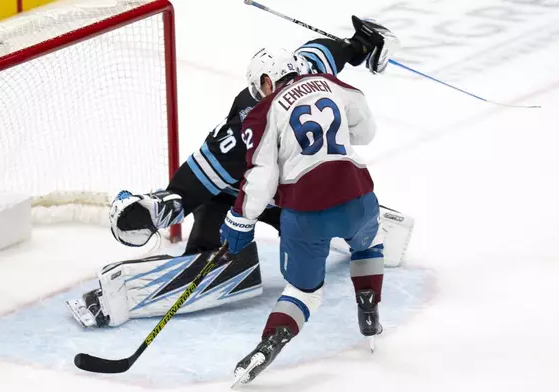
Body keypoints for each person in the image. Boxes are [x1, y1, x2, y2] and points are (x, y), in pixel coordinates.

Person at [66, 16, 405, 329]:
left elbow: (328, 51)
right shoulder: (296, 81)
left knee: (248, 241)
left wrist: (357, 45)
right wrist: (362, 44)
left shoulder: (271, 97)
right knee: (236, 230)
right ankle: (367, 226)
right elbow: (327, 52)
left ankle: (171, 281)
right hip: (262, 195)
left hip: (273, 197)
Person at [222, 20, 396, 385]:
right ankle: (369, 305)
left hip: (307, 216)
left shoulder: (262, 112)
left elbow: (261, 179)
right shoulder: (333, 84)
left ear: (267, 82)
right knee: (368, 243)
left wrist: (241, 220)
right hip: (359, 198)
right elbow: (366, 131)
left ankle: (268, 345)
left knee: (303, 291)